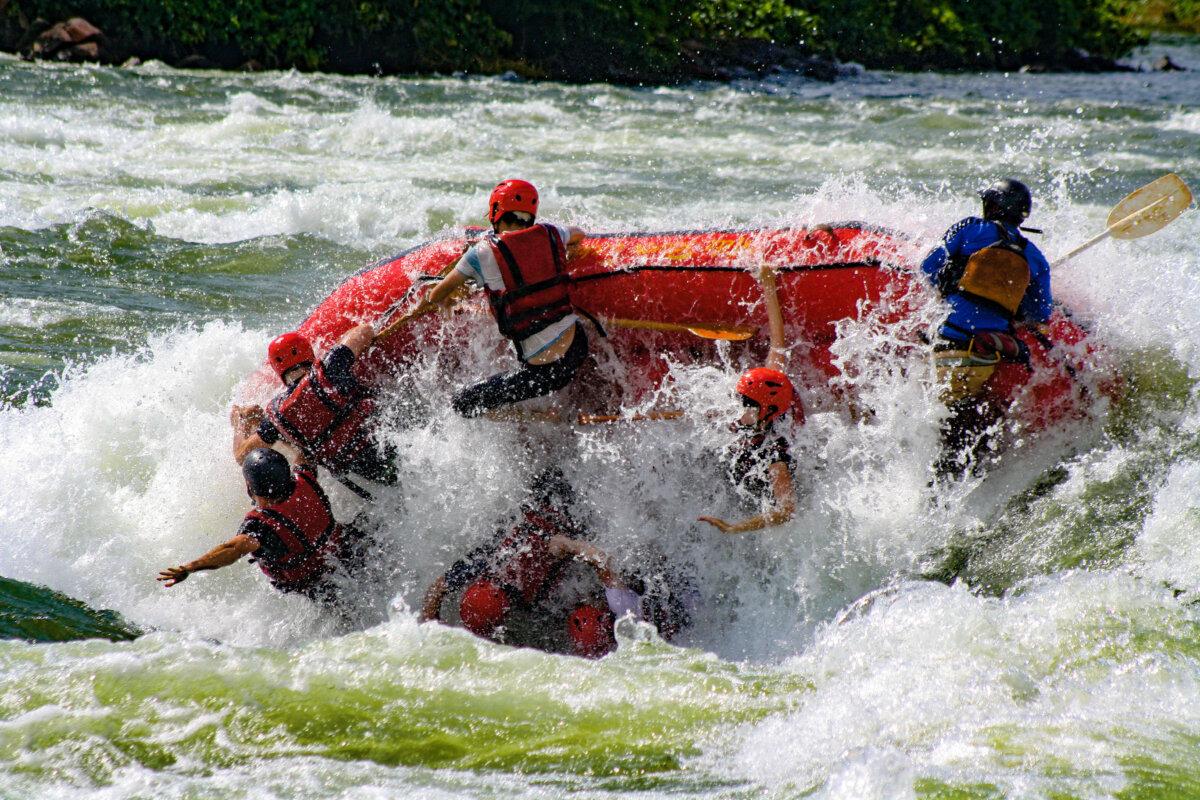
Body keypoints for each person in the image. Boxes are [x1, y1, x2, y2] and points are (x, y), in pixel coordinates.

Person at [419, 468, 691, 657]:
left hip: (572, 510)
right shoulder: (485, 563)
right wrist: (430, 634)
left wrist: (592, 561)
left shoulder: (530, 559)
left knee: (588, 622)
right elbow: (436, 590)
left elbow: (569, 548)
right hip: (553, 514)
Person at [383, 179, 590, 418]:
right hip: (578, 346)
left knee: (463, 403)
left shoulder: (481, 253)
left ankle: (542, 416)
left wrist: (447, 297)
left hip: (548, 374)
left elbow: (436, 294)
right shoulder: (551, 233)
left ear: (495, 212)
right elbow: (579, 234)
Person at [919, 179, 1054, 478]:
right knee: (966, 418)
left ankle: (941, 487)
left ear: (991, 206)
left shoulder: (968, 229)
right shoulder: (1035, 257)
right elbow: (1040, 314)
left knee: (949, 421)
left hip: (951, 342)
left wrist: (948, 284)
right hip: (988, 354)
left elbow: (928, 267)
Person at [157, 448, 375, 615]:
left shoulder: (263, 528)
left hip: (320, 586)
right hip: (350, 552)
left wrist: (190, 567)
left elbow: (234, 548)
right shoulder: (305, 478)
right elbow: (305, 456)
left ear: (250, 489)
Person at [231, 322, 396, 490]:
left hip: (373, 475)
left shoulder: (278, 417)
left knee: (295, 443)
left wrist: (239, 423)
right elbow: (365, 330)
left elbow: (241, 456)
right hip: (393, 445)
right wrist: (337, 347)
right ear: (308, 353)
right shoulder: (330, 367)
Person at [698, 367, 800, 534]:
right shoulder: (749, 420)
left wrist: (733, 528)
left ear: (766, 412)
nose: (736, 411)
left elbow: (786, 511)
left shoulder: (774, 456)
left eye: (744, 406)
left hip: (751, 508)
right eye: (738, 402)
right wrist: (647, 416)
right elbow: (695, 414)